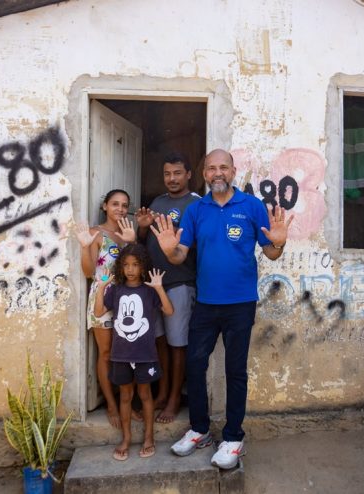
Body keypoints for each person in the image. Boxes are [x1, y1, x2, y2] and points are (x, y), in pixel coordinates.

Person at [151, 149, 293, 469]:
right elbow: (179, 254)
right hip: (206, 303)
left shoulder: (252, 206)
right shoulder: (196, 209)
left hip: (240, 304)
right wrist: (171, 250)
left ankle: (233, 437)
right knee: (195, 365)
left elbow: (270, 253)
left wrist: (280, 242)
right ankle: (200, 430)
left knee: (235, 371)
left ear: (233, 171)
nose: (218, 173)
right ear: (204, 174)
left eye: (223, 168)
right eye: (212, 168)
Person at [136, 152, 201, 424]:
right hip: (153, 282)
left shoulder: (197, 204)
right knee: (159, 341)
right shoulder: (158, 202)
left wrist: (174, 232)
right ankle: (162, 394)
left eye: (177, 173)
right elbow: (143, 241)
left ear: (188, 175)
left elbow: (200, 242)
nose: (171, 179)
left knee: (177, 345)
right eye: (167, 174)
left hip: (179, 283)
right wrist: (142, 228)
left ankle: (175, 398)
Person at [93, 243, 174, 461]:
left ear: (143, 266)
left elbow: (168, 310)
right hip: (121, 355)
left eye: (135, 265)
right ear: (120, 267)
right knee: (126, 396)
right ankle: (126, 439)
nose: (130, 270)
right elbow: (98, 311)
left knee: (145, 395)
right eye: (126, 265)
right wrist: (102, 288)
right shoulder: (116, 290)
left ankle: (149, 437)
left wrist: (158, 287)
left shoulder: (149, 290)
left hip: (145, 355)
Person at [74, 189, 136, 429]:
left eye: (124, 205)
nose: (120, 209)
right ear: (105, 206)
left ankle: (127, 405)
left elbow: (138, 266)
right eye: (115, 204)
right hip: (102, 299)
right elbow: (89, 272)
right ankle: (111, 404)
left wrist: (131, 241)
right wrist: (84, 247)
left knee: (129, 354)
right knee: (107, 354)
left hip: (129, 302)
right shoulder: (95, 233)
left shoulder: (128, 233)